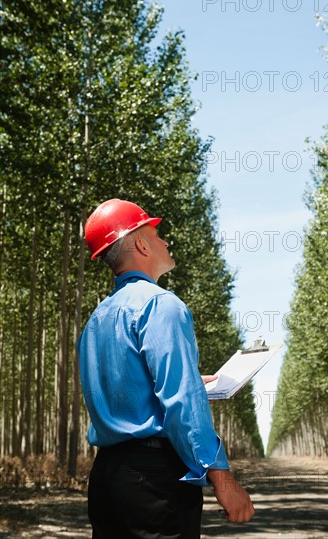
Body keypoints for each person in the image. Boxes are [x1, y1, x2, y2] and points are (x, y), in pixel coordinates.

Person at [78, 198, 255, 539]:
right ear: (140, 243)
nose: (165, 240)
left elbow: (120, 394)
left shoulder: (96, 320)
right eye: (156, 233)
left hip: (107, 477)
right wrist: (221, 477)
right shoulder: (161, 304)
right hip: (154, 479)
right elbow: (182, 405)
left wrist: (189, 382)